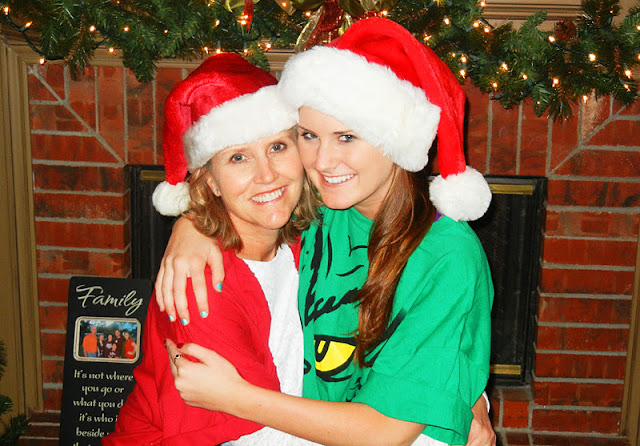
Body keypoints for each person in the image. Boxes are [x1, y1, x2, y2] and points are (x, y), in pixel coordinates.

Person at [159, 18, 495, 446]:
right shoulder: (321, 210)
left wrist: (236, 396)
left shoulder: (447, 256)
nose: (322, 161)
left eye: (347, 137)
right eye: (309, 136)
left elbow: (387, 432)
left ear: (397, 141)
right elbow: (252, 203)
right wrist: (192, 226)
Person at [103, 52, 320, 445]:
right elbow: (253, 435)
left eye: (277, 147)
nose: (267, 175)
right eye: (238, 157)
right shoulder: (200, 284)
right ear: (210, 183)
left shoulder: (309, 241)